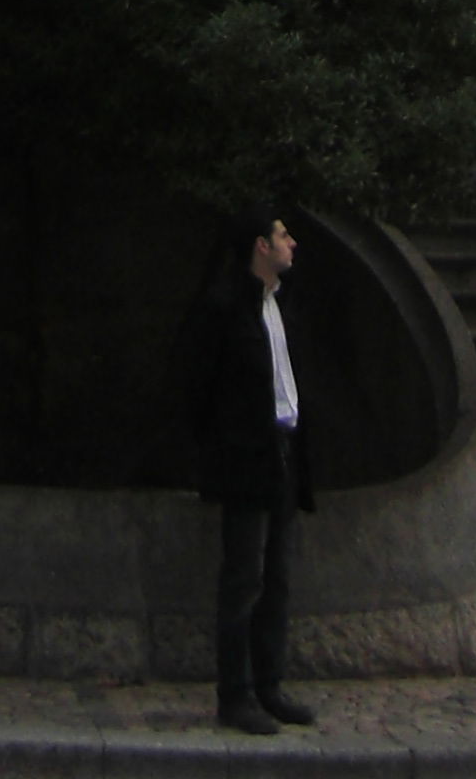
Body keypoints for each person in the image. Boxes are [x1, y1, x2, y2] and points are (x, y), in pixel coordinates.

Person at [182, 208, 319, 737]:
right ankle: (234, 694)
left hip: (283, 452)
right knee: (244, 578)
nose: (292, 244)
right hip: (246, 459)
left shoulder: (280, 305)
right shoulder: (224, 309)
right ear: (261, 246)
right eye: (283, 236)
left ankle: (269, 684)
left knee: (278, 578)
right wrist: (226, 450)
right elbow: (200, 390)